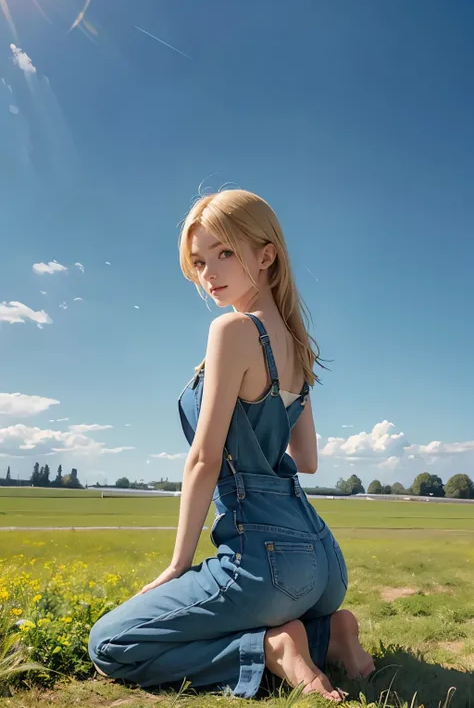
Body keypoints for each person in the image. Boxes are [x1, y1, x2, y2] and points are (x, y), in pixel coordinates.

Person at [88, 189, 374, 701]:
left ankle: (270, 649)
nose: (209, 273)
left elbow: (204, 457)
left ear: (266, 256)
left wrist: (178, 564)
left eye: (224, 253)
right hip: (324, 562)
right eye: (199, 261)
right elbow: (306, 461)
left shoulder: (234, 329)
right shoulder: (296, 343)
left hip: (266, 563)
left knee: (109, 644)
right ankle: (331, 634)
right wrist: (259, 459)